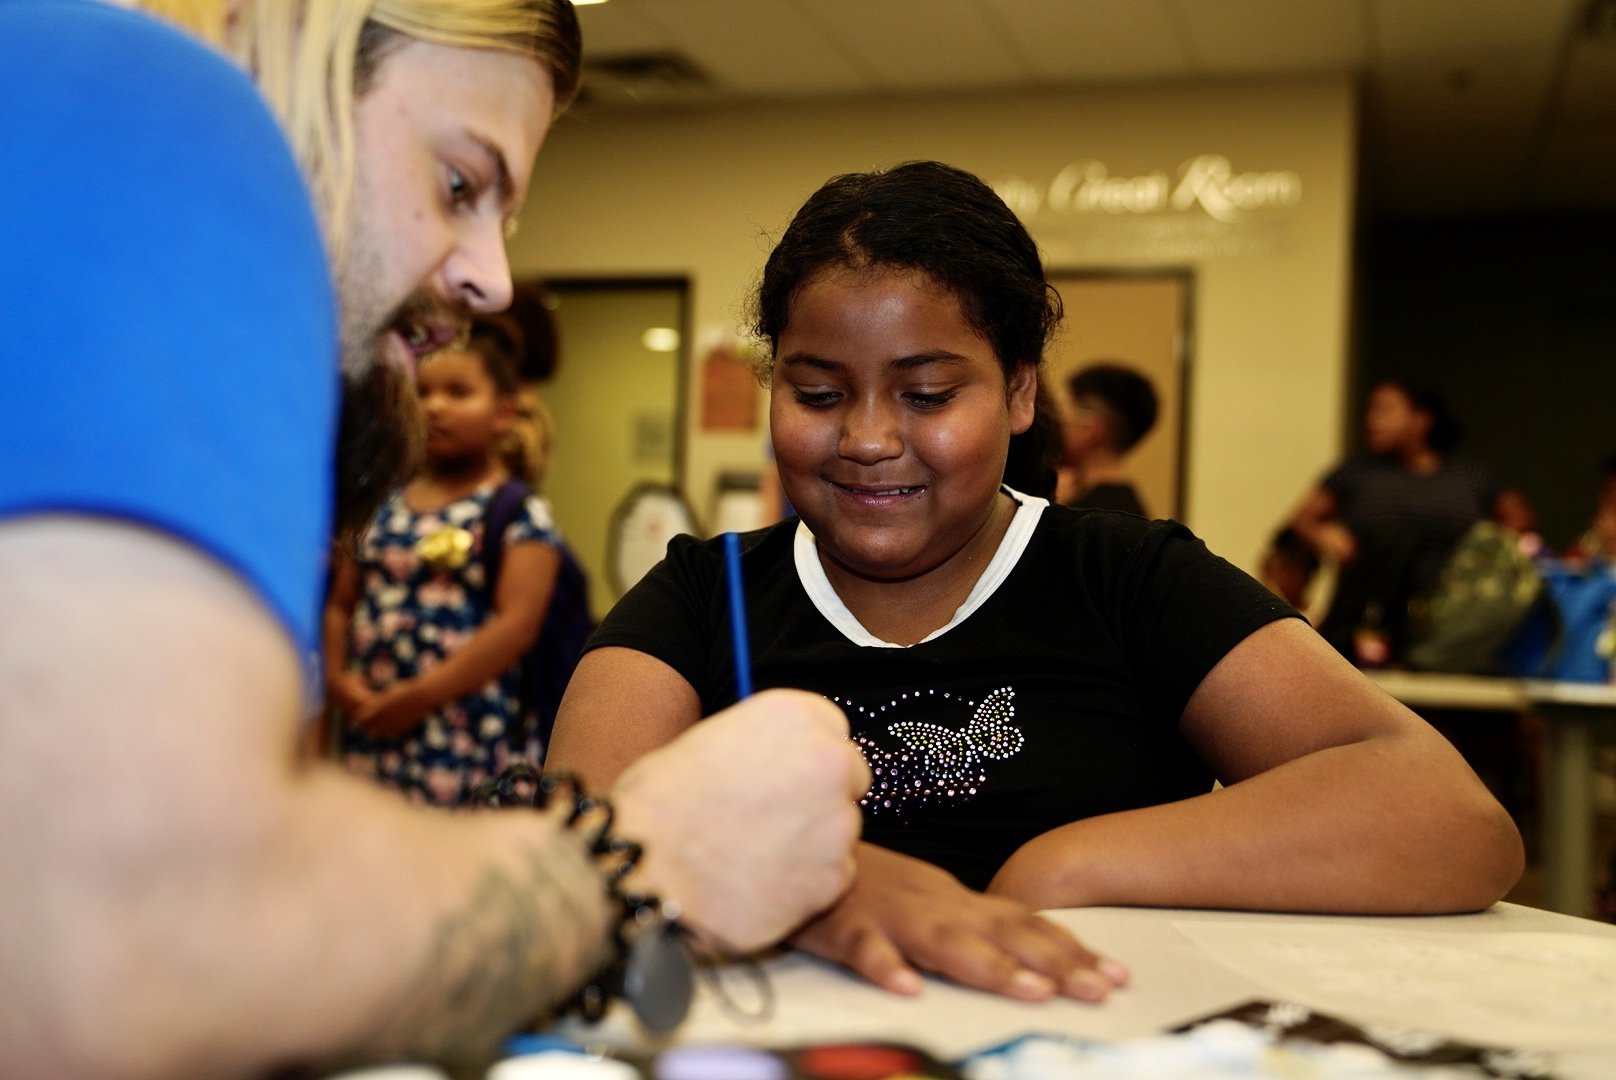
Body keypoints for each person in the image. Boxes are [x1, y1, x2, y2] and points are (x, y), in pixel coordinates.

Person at [0, 3, 868, 1077]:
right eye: (460, 184)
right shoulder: (166, 116)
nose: (492, 280)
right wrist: (646, 863)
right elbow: (127, 940)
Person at [545, 160, 1524, 1006]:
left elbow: (1451, 819)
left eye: (927, 395)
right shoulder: (699, 599)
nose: (868, 439)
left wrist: (1062, 866)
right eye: (816, 393)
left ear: (1017, 391)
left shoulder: (1124, 578)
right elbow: (568, 858)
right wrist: (827, 891)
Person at [325, 323, 559, 804]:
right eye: (423, 392)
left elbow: (517, 625)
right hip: (373, 727)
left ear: (503, 412)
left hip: (466, 734)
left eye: (458, 392)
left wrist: (421, 695)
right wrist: (337, 679)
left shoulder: (516, 512)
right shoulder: (379, 503)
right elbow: (341, 602)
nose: (435, 406)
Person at [1287, 380, 1507, 666]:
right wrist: (1326, 534)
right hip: (1368, 619)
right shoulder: (1356, 473)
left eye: (1385, 411)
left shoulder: (1469, 477)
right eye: (1371, 411)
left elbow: (1517, 524)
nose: (1372, 420)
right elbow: (1301, 519)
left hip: (1450, 623)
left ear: (1421, 420)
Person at [1055, 362, 1159, 515]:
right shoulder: (1131, 512)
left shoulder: (1081, 516)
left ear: (1090, 429)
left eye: (1059, 417)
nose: (1051, 427)